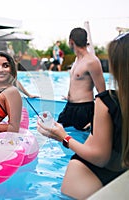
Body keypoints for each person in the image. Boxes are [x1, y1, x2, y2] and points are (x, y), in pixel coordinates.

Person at [37, 32, 129, 199]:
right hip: (71, 106)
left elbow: (99, 156)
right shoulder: (76, 63)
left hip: (94, 181)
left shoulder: (109, 99)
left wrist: (64, 137)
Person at [57, 28, 106, 131]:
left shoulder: (92, 61)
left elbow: (102, 92)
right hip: (70, 107)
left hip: (84, 109)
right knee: (57, 132)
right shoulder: (76, 60)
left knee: (81, 141)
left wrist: (96, 118)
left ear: (71, 42)